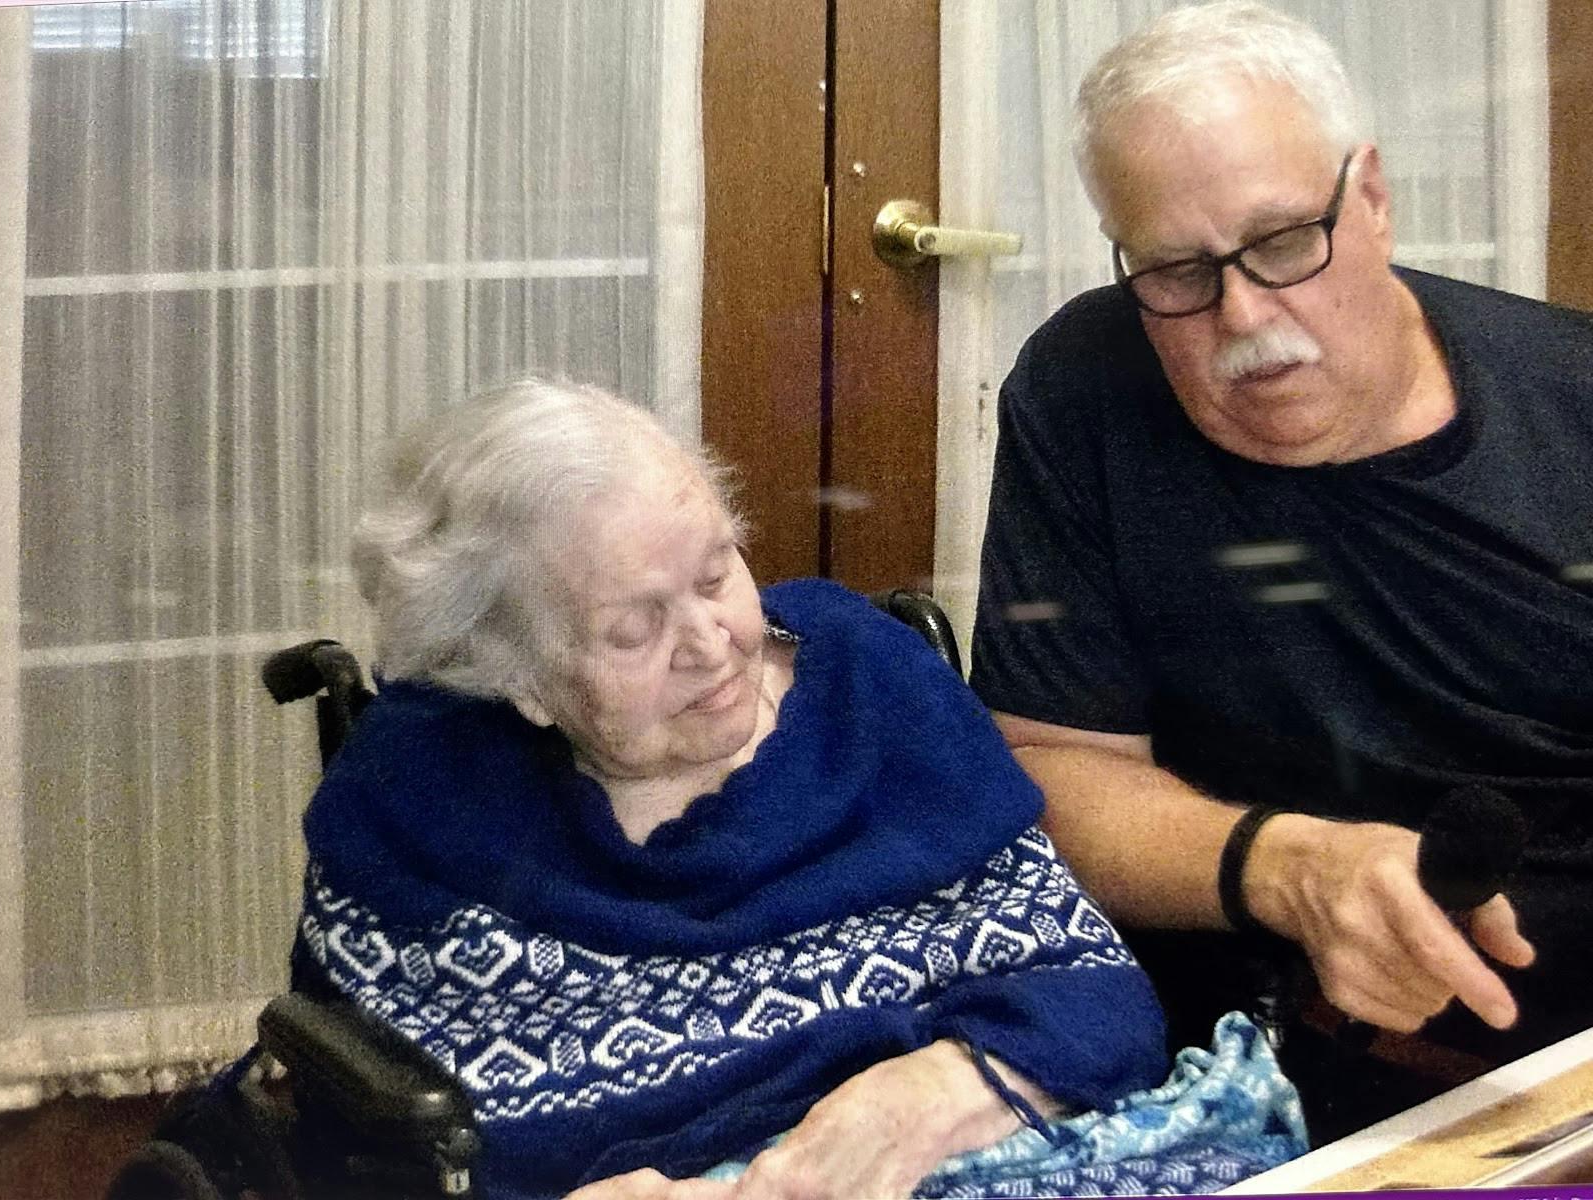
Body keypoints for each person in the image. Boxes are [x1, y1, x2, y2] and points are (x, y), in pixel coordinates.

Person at [294, 379, 1302, 1198]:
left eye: (715, 571)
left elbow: (1089, 991)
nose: (711, 642)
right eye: (633, 629)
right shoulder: (422, 802)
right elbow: (367, 1134)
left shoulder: (870, 687)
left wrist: (939, 1088)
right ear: (513, 675)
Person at [970, 0, 1593, 1135]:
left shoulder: (1573, 408)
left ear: (1372, 196)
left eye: (1282, 243)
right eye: (1174, 271)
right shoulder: (1084, 390)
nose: (1245, 318)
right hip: (1228, 1062)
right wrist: (1293, 869)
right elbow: (1041, 773)